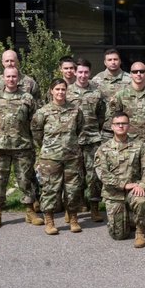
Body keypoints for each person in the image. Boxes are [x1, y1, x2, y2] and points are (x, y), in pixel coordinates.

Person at [0, 66, 41, 229]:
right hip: (1, 147)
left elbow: (36, 120)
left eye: (14, 77)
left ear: (18, 79)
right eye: (8, 77)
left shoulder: (27, 98)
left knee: (25, 180)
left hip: (23, 146)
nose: (11, 79)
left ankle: (29, 211)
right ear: (3, 78)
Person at [108, 62, 145, 223]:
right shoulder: (121, 94)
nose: (138, 74)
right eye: (135, 71)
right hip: (127, 143)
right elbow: (113, 116)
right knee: (128, 173)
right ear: (131, 73)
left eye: (141, 71)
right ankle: (126, 209)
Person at [31, 77, 85, 235]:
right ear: (51, 91)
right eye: (57, 89)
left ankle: (73, 219)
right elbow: (36, 132)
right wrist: (47, 147)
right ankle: (49, 220)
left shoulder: (75, 110)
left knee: (73, 189)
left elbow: (79, 129)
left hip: (72, 157)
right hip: (50, 158)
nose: (60, 92)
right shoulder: (43, 112)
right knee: (50, 189)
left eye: (63, 89)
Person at [94, 112, 145, 248]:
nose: (121, 126)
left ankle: (140, 232)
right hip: (114, 193)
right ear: (112, 127)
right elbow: (102, 174)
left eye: (124, 123)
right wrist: (124, 184)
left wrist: (142, 184)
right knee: (119, 235)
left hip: (135, 189)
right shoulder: (103, 149)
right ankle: (127, 220)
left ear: (129, 126)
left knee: (142, 201)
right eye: (118, 123)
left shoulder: (140, 145)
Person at [68, 58, 107, 222]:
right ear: (75, 72)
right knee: (73, 177)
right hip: (72, 141)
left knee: (93, 177)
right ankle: (72, 209)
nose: (83, 75)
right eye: (80, 72)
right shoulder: (67, 91)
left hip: (92, 140)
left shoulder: (97, 92)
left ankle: (94, 208)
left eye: (86, 72)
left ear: (90, 73)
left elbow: (102, 115)